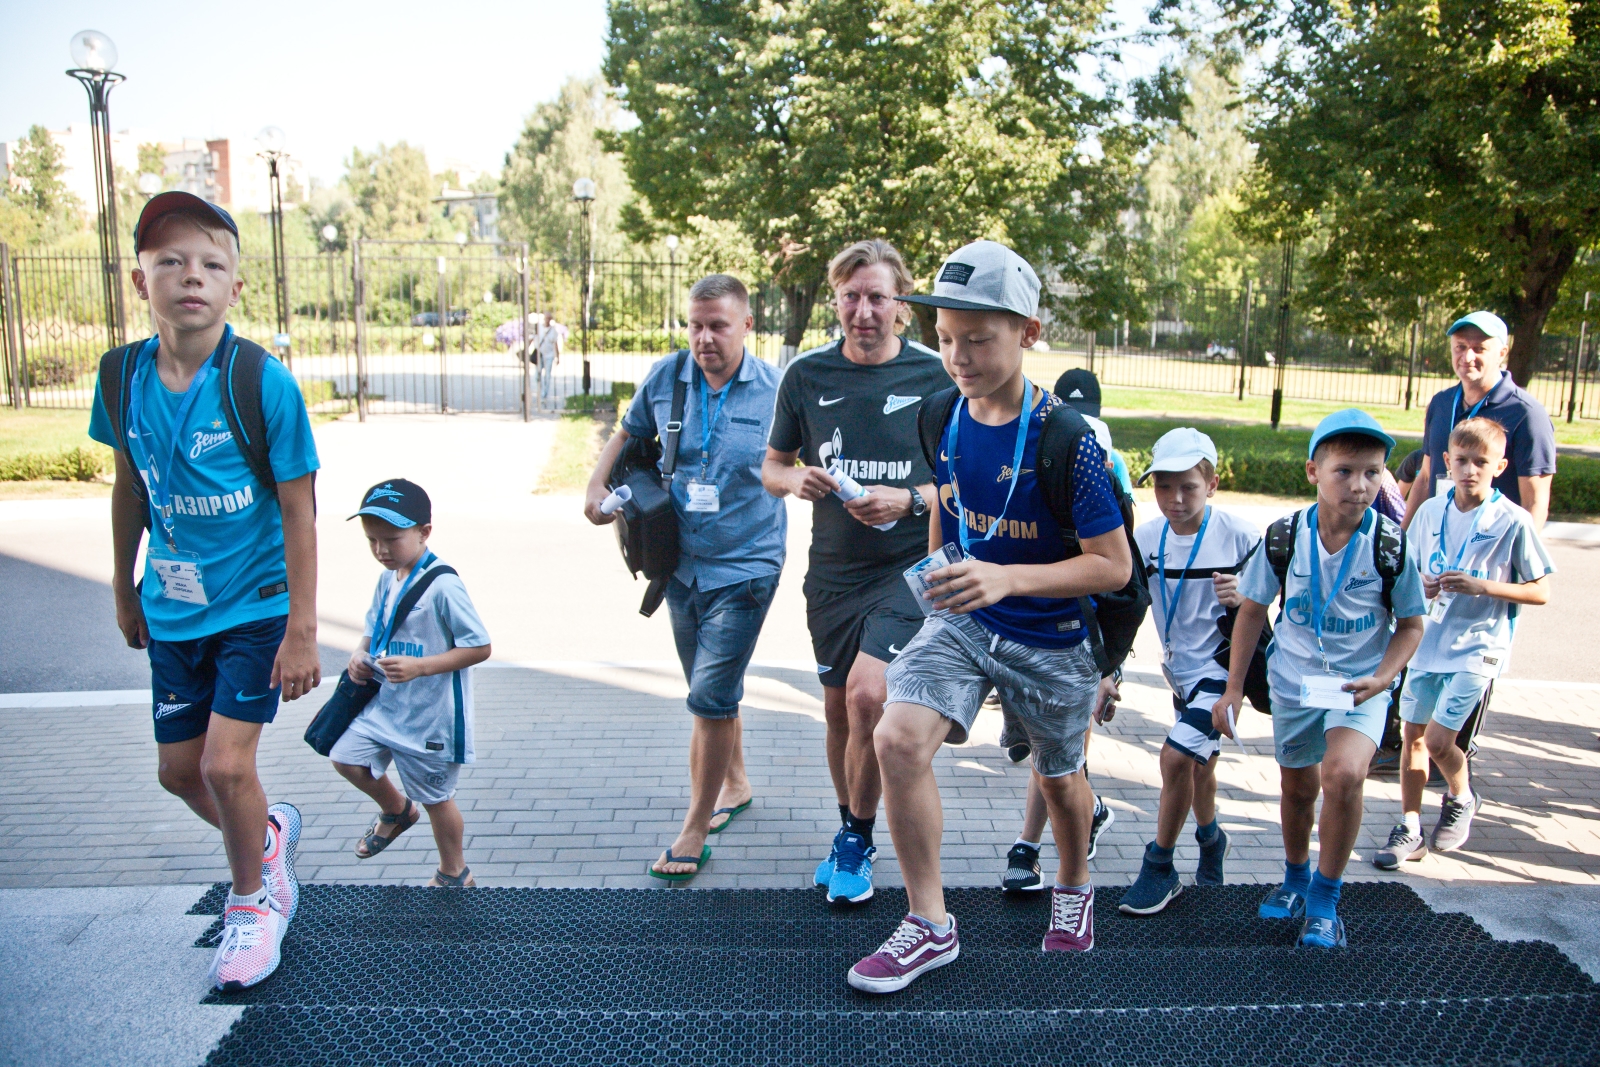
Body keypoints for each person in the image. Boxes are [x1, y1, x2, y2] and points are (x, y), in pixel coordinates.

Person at [848, 241, 1132, 994]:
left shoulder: (1069, 442)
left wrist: (1008, 577)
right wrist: (941, 575)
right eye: (946, 338)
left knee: (1059, 779)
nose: (958, 357)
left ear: (1028, 332)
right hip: (968, 619)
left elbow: (1113, 566)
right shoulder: (941, 412)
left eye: (977, 339)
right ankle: (930, 923)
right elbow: (948, 498)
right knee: (895, 739)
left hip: (1053, 637)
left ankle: (1073, 886)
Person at [88, 191, 321, 991]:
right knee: (178, 771)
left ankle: (254, 905)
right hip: (171, 608)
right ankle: (266, 838)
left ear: (235, 286)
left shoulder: (260, 381)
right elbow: (130, 486)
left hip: (255, 607)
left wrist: (301, 627)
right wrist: (123, 585)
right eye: (171, 261)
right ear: (140, 279)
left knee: (226, 766)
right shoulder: (121, 376)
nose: (192, 276)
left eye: (211, 264)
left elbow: (299, 510)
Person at [762, 239, 951, 904]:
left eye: (877, 297)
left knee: (871, 695)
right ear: (836, 300)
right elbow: (771, 465)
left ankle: (857, 838)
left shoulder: (936, 376)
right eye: (851, 296)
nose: (863, 310)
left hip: (908, 569)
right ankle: (850, 827)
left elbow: (965, 482)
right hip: (833, 576)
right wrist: (795, 480)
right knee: (840, 710)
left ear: (901, 304)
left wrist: (910, 500)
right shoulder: (807, 375)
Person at [585, 274, 785, 882]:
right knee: (711, 690)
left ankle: (694, 828)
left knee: (709, 698)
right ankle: (737, 783)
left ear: (747, 325)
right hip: (679, 564)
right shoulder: (668, 377)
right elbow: (627, 433)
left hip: (747, 564)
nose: (704, 339)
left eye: (718, 326)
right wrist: (595, 486)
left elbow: (810, 460)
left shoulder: (778, 391)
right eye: (695, 325)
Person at [1213, 409, 1425, 948]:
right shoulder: (1285, 537)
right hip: (1294, 685)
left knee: (1344, 774)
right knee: (1298, 787)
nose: (1359, 485)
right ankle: (1295, 878)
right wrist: (1234, 689)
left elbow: (1411, 625)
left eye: (1373, 472)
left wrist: (1383, 677)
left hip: (1360, 687)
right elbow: (1252, 612)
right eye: (1344, 471)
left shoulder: (1390, 544)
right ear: (1313, 471)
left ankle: (1326, 898)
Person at [1374, 418, 1553, 868]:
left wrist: (1483, 586)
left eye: (1481, 462)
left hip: (1479, 647)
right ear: (1447, 462)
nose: (1470, 470)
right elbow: (1407, 571)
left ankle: (1461, 796)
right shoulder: (1430, 512)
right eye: (1461, 460)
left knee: (1439, 741)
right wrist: (1420, 585)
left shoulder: (1511, 520)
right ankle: (1410, 827)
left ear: (1499, 467)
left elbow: (1541, 591)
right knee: (1413, 736)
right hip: (1427, 642)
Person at [1117, 428, 1261, 914]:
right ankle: (1211, 838)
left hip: (1221, 673)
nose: (1175, 499)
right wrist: (1109, 671)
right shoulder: (1145, 538)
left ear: (1212, 485)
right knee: (1201, 766)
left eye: (1188, 487)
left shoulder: (1241, 536)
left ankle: (1159, 865)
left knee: (1176, 758)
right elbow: (1127, 607)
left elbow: (1272, 606)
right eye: (1163, 487)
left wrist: (1245, 598)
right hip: (1178, 672)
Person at [332, 479, 493, 886]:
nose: (381, 550)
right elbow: (372, 627)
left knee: (437, 799)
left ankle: (454, 871)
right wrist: (359, 654)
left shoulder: (443, 585)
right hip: (387, 707)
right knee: (344, 756)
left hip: (430, 718)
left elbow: (480, 647)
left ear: (424, 532)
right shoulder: (387, 578)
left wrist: (421, 667)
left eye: (391, 540)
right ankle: (397, 810)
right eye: (372, 541)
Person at [997, 370, 1123, 892]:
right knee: (1049, 752)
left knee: (1058, 756)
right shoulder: (1039, 439)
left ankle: (1034, 847)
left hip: (1083, 632)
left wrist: (1108, 665)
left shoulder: (1091, 449)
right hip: (1027, 621)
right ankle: (1084, 813)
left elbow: (1123, 576)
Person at [1403, 312, 1557, 531]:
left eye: (1479, 349)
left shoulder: (1527, 414)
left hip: (1491, 543)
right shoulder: (1441, 403)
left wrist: (1520, 550)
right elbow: (1426, 478)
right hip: (1438, 539)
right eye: (1460, 347)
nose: (1467, 357)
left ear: (1502, 353)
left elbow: (1535, 502)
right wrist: (1402, 541)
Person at [534, 312, 567, 407]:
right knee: (537, 375)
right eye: (546, 318)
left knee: (547, 376)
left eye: (549, 318)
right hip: (539, 354)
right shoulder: (539, 328)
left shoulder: (553, 331)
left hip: (549, 356)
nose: (547, 320)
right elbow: (533, 338)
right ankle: (540, 391)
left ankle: (544, 395)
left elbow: (555, 344)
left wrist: (558, 357)